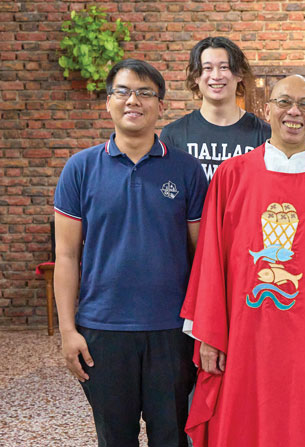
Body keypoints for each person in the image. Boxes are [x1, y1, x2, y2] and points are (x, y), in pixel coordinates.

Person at [180, 75, 305, 447]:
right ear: (266, 111)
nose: (294, 112)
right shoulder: (231, 177)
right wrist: (209, 335)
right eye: (284, 102)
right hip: (246, 336)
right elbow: (211, 261)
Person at [53, 59, 208, 447]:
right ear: (108, 102)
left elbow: (203, 256)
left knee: (171, 436)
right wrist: (68, 331)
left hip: (172, 330)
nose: (132, 100)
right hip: (103, 330)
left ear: (160, 105)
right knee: (115, 438)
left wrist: (205, 328)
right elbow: (66, 256)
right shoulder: (80, 169)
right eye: (122, 91)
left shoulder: (187, 170)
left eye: (144, 93)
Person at [160, 36, 271, 182]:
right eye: (207, 68)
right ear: (196, 76)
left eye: (224, 67)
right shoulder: (174, 135)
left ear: (239, 74)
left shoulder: (265, 136)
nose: (216, 76)